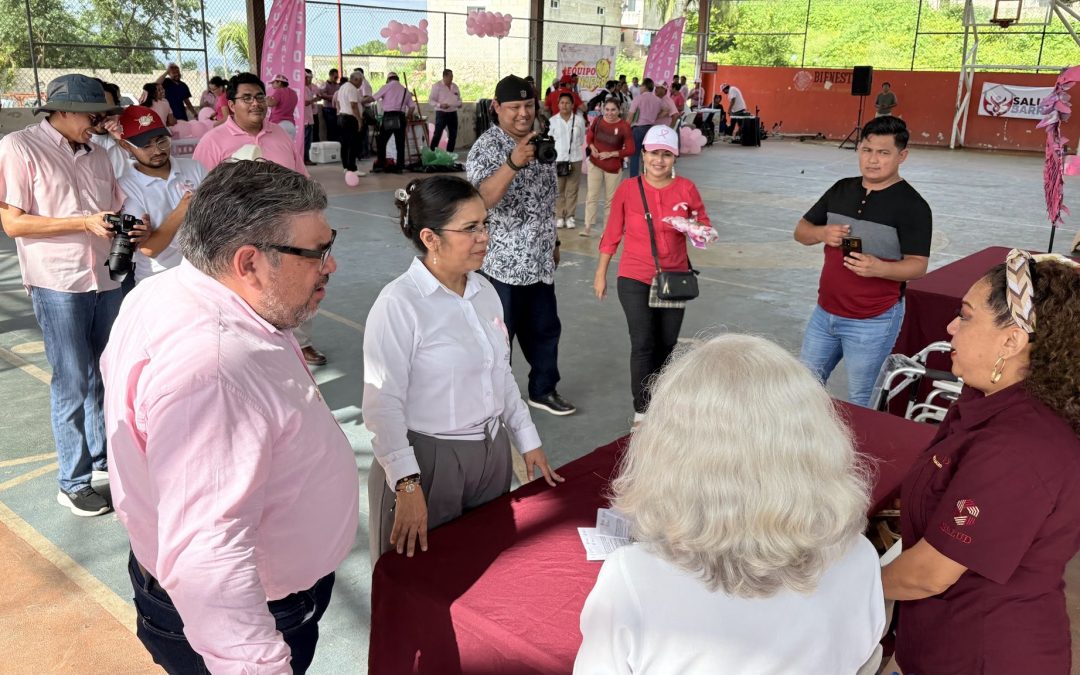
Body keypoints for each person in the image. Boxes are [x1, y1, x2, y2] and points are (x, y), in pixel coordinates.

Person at [102, 159, 357, 674]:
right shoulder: (215, 372)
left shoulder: (167, 291)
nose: (330, 265)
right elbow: (208, 559)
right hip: (256, 613)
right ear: (249, 263)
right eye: (317, 252)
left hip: (217, 590)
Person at [575, 334, 884, 674]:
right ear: (816, 440)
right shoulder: (859, 556)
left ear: (667, 451)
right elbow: (863, 656)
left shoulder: (633, 578)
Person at [882, 250, 1080, 674]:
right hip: (939, 639)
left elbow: (930, 574)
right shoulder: (986, 399)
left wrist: (839, 591)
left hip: (983, 654)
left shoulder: (1018, 449)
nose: (951, 327)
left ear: (1011, 341)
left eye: (966, 316)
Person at [363, 176, 564, 562]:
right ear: (430, 238)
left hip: (491, 456)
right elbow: (382, 405)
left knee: (483, 566)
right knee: (419, 579)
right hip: (429, 462)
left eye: (485, 224)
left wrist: (526, 438)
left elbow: (500, 373)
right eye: (470, 228)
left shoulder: (484, 291)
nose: (484, 236)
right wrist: (406, 483)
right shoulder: (399, 304)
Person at [0, 74, 135, 517]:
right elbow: (14, 224)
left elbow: (114, 209)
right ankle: (73, 481)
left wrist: (128, 225)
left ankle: (101, 462)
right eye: (91, 114)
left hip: (105, 279)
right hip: (58, 283)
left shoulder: (99, 155)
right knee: (73, 380)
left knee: (106, 373)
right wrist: (83, 222)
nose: (98, 123)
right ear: (60, 111)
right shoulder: (19, 147)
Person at [794, 115, 931, 407]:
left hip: (872, 320)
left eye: (884, 153)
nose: (873, 160)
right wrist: (821, 233)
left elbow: (918, 265)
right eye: (867, 150)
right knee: (801, 390)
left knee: (862, 399)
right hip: (824, 314)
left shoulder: (913, 206)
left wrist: (879, 268)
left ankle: (859, 453)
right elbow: (801, 232)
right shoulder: (841, 189)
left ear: (901, 156)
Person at [193, 73, 329, 368]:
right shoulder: (213, 142)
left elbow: (300, 178)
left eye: (259, 97)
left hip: (286, 234)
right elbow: (202, 194)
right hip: (240, 237)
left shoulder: (279, 134)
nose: (255, 104)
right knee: (246, 294)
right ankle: (243, 353)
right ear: (230, 104)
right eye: (246, 98)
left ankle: (299, 344)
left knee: (297, 286)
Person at [466, 74, 576, 416]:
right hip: (500, 266)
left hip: (540, 261)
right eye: (514, 107)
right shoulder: (487, 147)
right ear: (497, 108)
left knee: (545, 331)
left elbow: (546, 199)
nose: (523, 114)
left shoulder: (540, 141)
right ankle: (492, 400)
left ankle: (543, 390)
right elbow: (481, 200)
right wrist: (513, 162)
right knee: (498, 339)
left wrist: (554, 241)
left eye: (528, 106)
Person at [593, 126, 711, 423]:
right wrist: (601, 272)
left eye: (667, 155)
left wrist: (695, 230)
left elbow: (704, 229)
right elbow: (612, 234)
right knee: (643, 342)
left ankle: (661, 397)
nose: (659, 160)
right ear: (643, 155)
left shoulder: (687, 189)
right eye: (654, 153)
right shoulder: (628, 189)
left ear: (675, 158)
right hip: (634, 276)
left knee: (666, 343)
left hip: (673, 279)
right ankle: (643, 410)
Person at [115, 106, 206, 284]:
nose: (157, 151)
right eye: (146, 145)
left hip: (202, 272)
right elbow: (150, 249)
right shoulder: (126, 187)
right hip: (159, 280)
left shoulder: (194, 168)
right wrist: (182, 210)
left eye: (161, 141)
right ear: (126, 145)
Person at [583, 98, 634, 238]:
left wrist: (612, 153)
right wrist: (592, 147)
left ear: (619, 110)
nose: (609, 113)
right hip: (595, 163)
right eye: (607, 110)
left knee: (610, 200)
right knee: (592, 195)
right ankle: (587, 226)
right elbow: (589, 136)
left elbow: (630, 149)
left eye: (613, 110)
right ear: (603, 109)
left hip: (613, 167)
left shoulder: (624, 126)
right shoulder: (598, 120)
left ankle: (607, 230)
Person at [550, 92, 586, 230]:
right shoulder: (553, 121)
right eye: (562, 103)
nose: (564, 105)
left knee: (572, 189)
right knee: (559, 189)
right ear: (558, 104)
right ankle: (559, 216)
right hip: (558, 160)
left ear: (572, 105)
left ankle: (570, 216)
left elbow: (581, 139)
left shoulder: (579, 120)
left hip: (575, 159)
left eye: (567, 103)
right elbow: (550, 141)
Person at [627, 78, 677, 178]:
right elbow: (666, 110)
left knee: (635, 155)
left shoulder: (638, 99)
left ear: (645, 86)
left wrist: (624, 129)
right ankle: (647, 176)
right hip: (651, 130)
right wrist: (655, 117)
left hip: (638, 129)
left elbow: (630, 117)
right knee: (648, 155)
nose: (640, 87)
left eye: (641, 85)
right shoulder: (657, 100)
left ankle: (633, 178)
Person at [373, 71, 414, 174]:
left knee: (382, 142)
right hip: (401, 117)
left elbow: (374, 97)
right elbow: (412, 107)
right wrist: (408, 116)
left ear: (388, 79)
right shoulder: (405, 90)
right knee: (400, 144)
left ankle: (381, 164)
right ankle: (399, 167)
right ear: (398, 79)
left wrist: (362, 100)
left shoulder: (386, 87)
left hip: (389, 117)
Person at [334, 69, 367, 177]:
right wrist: (359, 120)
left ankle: (346, 167)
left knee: (345, 144)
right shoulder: (352, 88)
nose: (361, 84)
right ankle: (352, 168)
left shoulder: (343, 87)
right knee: (353, 144)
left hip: (341, 117)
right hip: (350, 119)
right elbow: (354, 106)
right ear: (356, 80)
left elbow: (338, 102)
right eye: (361, 82)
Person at [429, 68, 462, 153]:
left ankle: (449, 155)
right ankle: (432, 154)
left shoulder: (455, 86)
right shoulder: (437, 86)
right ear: (445, 76)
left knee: (453, 135)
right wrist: (440, 105)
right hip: (441, 113)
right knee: (437, 135)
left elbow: (458, 98)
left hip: (453, 113)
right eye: (450, 76)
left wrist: (459, 103)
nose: (452, 78)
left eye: (452, 76)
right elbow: (431, 100)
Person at [267, 73, 299, 139]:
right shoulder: (294, 93)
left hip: (279, 124)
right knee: (288, 148)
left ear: (279, 82)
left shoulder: (278, 91)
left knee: (276, 148)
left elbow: (271, 103)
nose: (272, 85)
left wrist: (266, 100)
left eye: (273, 82)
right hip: (291, 125)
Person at [303, 69, 320, 163]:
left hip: (309, 117)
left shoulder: (307, 88)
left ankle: (306, 158)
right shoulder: (303, 88)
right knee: (306, 140)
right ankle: (305, 158)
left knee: (309, 140)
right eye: (307, 78)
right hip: (306, 119)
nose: (309, 79)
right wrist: (314, 100)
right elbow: (305, 102)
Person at [320, 68, 341, 142]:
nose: (336, 79)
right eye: (335, 77)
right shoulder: (324, 85)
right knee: (331, 128)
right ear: (330, 76)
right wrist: (333, 97)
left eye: (337, 77)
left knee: (336, 128)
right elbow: (322, 95)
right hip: (328, 109)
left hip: (336, 109)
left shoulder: (337, 85)